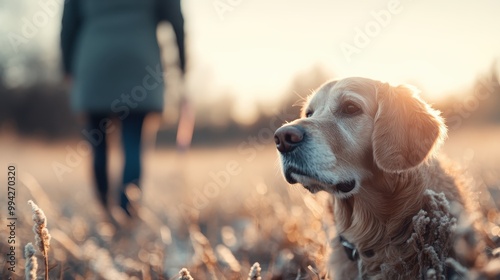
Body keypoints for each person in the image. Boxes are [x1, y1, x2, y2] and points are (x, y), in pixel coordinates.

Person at [60, 0, 186, 217]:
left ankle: (105, 211)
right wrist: (183, 63)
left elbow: (68, 26)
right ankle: (127, 212)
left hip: (94, 62)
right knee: (133, 144)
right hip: (139, 63)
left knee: (98, 145)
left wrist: (67, 67)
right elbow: (176, 19)